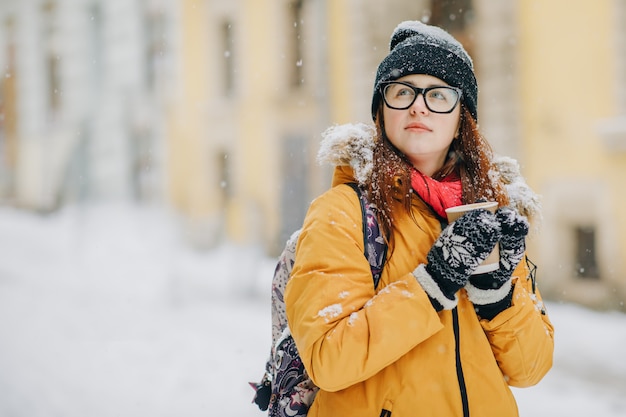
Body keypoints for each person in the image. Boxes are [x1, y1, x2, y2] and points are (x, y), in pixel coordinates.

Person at [284, 21, 554, 417]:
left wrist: (498, 299)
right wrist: (431, 285)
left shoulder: (489, 214)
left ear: (463, 116)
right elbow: (328, 358)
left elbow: (531, 369)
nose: (418, 106)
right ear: (381, 110)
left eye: (439, 94)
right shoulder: (341, 212)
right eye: (402, 91)